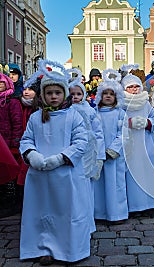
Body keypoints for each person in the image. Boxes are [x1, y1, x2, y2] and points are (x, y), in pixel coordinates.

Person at [19, 69, 91, 265]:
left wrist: (61, 158)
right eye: (49, 93)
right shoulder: (35, 117)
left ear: (64, 94)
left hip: (66, 174)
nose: (53, 97)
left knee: (66, 211)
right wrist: (31, 154)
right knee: (42, 210)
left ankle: (68, 248)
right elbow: (26, 139)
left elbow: (81, 141)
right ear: (43, 95)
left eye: (57, 93)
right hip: (40, 175)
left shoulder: (74, 116)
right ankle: (44, 247)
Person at [121, 70, 154, 215]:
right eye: (130, 87)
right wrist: (129, 123)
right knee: (133, 173)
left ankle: (153, 203)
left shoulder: (146, 103)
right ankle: (136, 204)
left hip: (146, 141)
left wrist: (148, 122)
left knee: (149, 171)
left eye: (136, 86)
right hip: (131, 143)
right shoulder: (122, 104)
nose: (134, 89)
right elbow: (117, 120)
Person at [69, 71, 105, 233]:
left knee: (86, 189)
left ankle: (88, 223)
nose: (75, 97)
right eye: (72, 94)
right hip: (71, 153)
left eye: (78, 94)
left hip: (88, 154)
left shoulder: (90, 111)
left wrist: (100, 156)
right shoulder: (66, 111)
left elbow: (98, 133)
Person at [93, 70, 128, 222]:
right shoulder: (94, 113)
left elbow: (124, 133)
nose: (108, 96)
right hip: (97, 154)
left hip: (114, 156)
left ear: (117, 97)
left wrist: (113, 149)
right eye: (105, 93)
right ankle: (98, 213)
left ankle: (117, 214)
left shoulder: (120, 113)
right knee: (98, 185)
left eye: (111, 94)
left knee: (116, 184)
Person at [0, 73, 23, 217]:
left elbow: (17, 122)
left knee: (11, 173)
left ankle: (11, 201)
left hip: (8, 143)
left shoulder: (11, 101)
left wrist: (15, 140)